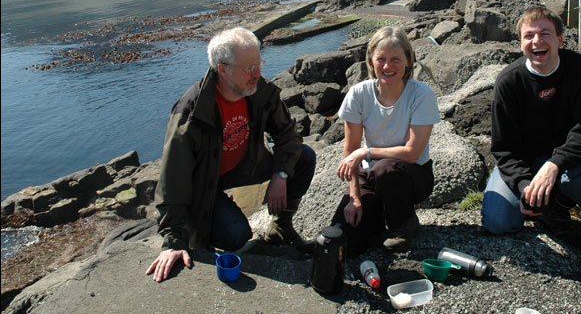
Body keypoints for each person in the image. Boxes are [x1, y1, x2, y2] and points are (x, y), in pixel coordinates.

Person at [146, 27, 316, 282]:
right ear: (222, 69)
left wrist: (280, 175)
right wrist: (174, 241)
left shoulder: (260, 91)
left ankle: (280, 230)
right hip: (204, 184)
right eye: (249, 68)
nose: (257, 73)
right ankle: (208, 227)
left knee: (303, 157)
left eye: (259, 64)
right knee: (236, 234)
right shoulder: (191, 112)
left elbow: (287, 134)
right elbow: (173, 178)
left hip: (243, 168)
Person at [481, 6, 581, 236]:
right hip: (523, 161)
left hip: (566, 162)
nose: (536, 41)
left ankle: (559, 204)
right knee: (498, 222)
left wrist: (554, 165)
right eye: (528, 36)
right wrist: (524, 187)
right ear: (520, 44)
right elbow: (504, 148)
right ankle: (539, 204)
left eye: (545, 34)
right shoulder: (509, 82)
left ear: (560, 40)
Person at [332, 26, 440, 255]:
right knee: (346, 236)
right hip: (370, 173)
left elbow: (412, 152)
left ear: (408, 61)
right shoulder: (359, 94)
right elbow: (350, 151)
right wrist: (355, 198)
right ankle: (377, 218)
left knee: (385, 170)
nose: (387, 66)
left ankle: (404, 224)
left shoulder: (422, 95)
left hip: (410, 174)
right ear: (371, 61)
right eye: (381, 59)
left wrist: (366, 153)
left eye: (395, 59)